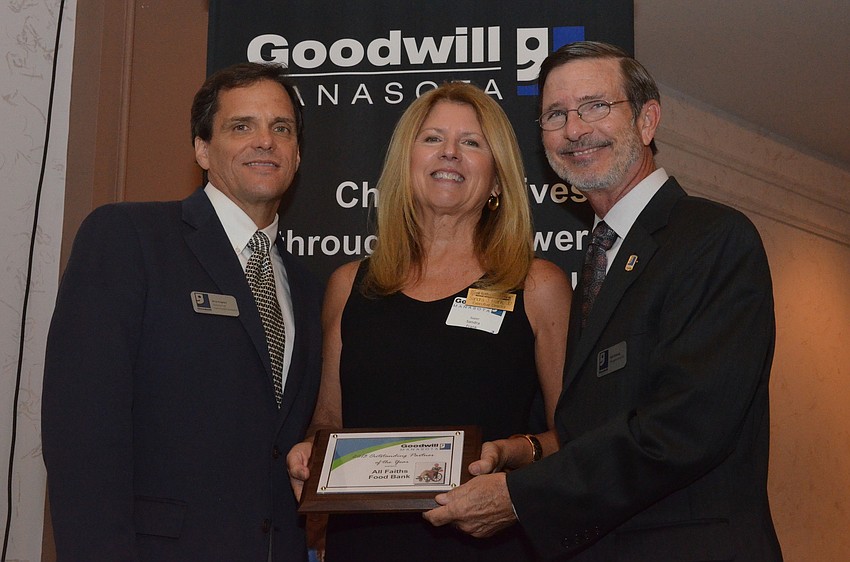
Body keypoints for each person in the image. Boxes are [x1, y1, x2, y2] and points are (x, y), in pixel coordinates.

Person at [424, 41, 783, 561]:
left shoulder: (712, 238)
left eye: (595, 106)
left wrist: (522, 497)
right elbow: (590, 426)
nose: (574, 129)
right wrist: (520, 451)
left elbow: (685, 427)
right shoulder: (597, 261)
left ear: (646, 120)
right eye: (555, 114)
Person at [42, 62, 323, 561]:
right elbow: (82, 436)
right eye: (242, 126)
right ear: (201, 149)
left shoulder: (303, 284)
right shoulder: (129, 238)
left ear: (297, 154)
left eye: (281, 128)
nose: (266, 141)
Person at [286, 81, 572, 561]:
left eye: (472, 142)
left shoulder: (538, 285)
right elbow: (329, 421)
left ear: (498, 180)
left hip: (488, 544)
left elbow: (577, 438)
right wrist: (308, 455)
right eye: (433, 138)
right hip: (364, 546)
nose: (450, 153)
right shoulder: (348, 285)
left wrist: (512, 455)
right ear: (406, 162)